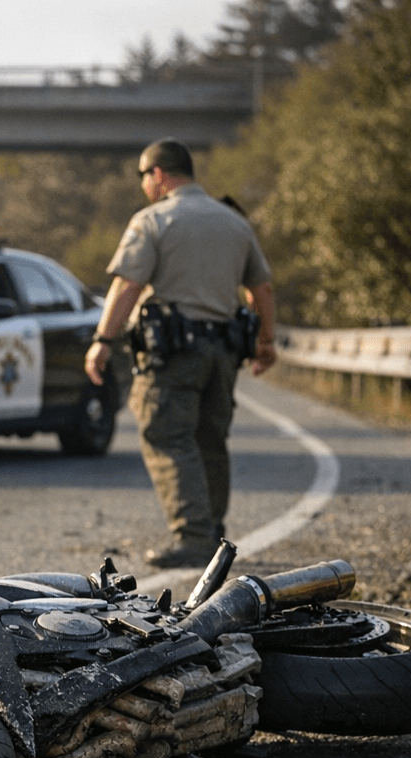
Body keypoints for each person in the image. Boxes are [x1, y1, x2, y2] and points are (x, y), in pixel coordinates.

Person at [84, 138, 277, 569]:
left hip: (173, 352)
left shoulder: (153, 220)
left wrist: (103, 341)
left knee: (168, 435)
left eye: (143, 176)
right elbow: (261, 287)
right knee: (210, 439)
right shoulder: (234, 221)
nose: (143, 186)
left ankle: (194, 537)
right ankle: (214, 533)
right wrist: (266, 341)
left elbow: (128, 284)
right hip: (224, 352)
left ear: (158, 174)